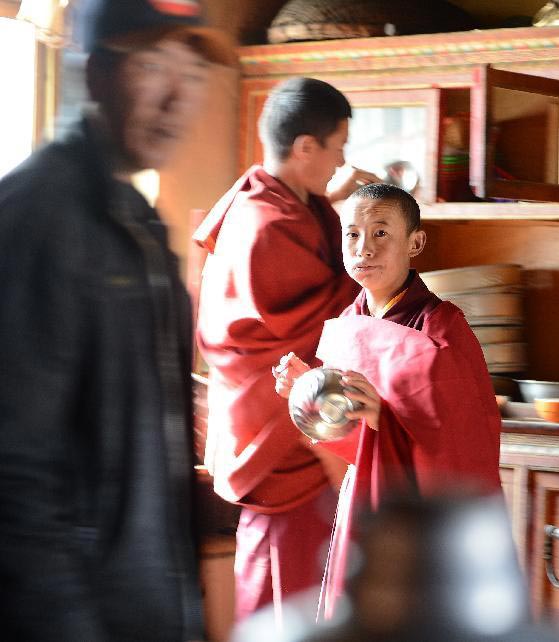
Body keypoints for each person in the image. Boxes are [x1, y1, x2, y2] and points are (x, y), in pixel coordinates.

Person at [0, 1, 235, 640]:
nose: (177, 95)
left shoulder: (141, 226)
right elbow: (16, 477)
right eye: (152, 62)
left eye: (193, 68)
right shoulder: (36, 218)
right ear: (93, 69)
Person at [194, 77, 378, 622]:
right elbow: (317, 316)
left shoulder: (286, 199)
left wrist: (342, 202)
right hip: (274, 419)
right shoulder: (264, 221)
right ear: (306, 148)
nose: (342, 161)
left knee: (309, 579)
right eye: (337, 148)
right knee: (285, 585)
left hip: (291, 419)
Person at [274, 183, 503, 619]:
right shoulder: (347, 323)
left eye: (381, 233)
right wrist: (311, 393)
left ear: (415, 242)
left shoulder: (443, 329)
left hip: (420, 517)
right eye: (352, 234)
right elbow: (350, 440)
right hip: (362, 497)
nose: (364, 248)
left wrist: (387, 418)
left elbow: (464, 447)